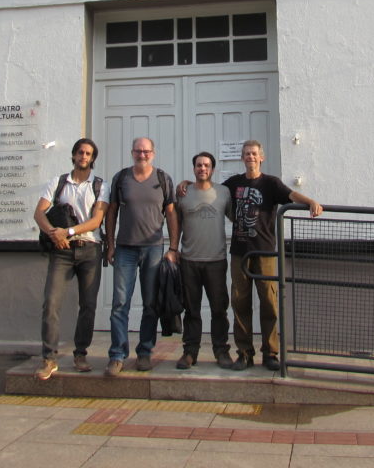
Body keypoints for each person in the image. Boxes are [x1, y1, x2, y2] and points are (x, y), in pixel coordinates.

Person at [179, 139, 323, 372]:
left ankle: (270, 353)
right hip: (239, 253)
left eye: (254, 153)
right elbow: (208, 188)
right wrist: (186, 183)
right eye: (246, 153)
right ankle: (244, 353)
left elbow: (291, 195)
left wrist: (311, 202)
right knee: (240, 303)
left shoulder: (270, 183)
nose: (250, 157)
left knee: (269, 303)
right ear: (242, 157)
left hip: (265, 251)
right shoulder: (232, 185)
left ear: (261, 157)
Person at [32, 138, 110, 380]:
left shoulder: (100, 186)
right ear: (74, 156)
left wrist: (69, 231)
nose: (83, 157)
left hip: (89, 249)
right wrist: (54, 234)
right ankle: (49, 358)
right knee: (51, 303)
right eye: (80, 152)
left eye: (88, 153)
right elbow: (39, 213)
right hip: (62, 250)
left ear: (93, 158)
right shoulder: (58, 182)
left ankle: (80, 353)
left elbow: (97, 221)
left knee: (88, 305)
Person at [104, 137, 180, 376]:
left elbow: (171, 213)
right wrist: (110, 243)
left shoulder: (163, 179)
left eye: (146, 151)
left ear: (153, 153)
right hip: (125, 248)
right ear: (132, 152)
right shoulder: (121, 178)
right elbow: (112, 212)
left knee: (150, 304)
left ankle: (145, 351)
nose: (142, 154)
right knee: (119, 304)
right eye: (138, 151)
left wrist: (173, 248)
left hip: (153, 249)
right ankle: (117, 355)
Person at [174, 151, 234, 370]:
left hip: (216, 260)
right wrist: (173, 248)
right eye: (199, 165)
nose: (202, 169)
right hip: (189, 260)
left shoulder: (223, 192)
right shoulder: (183, 192)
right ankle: (190, 352)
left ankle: (221, 351)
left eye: (206, 165)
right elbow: (176, 224)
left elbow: (236, 217)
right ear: (193, 168)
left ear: (212, 169)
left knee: (219, 309)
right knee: (191, 310)